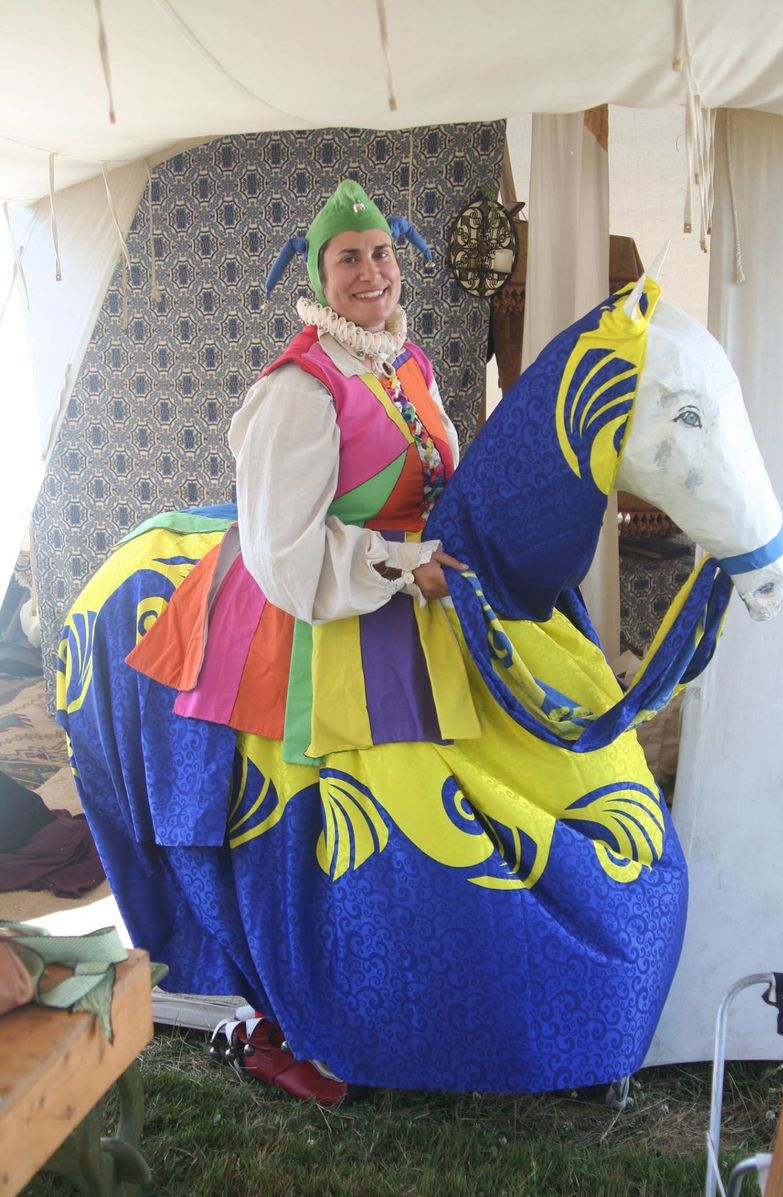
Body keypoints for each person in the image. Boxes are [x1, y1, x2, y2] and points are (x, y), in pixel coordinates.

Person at [81, 178, 687, 1107]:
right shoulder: (297, 389)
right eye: (348, 259)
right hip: (333, 609)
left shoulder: (407, 363)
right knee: (390, 817)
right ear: (318, 278)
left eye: (381, 254)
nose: (371, 272)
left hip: (421, 589)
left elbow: (444, 484)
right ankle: (368, 1010)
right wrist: (407, 566)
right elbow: (285, 553)